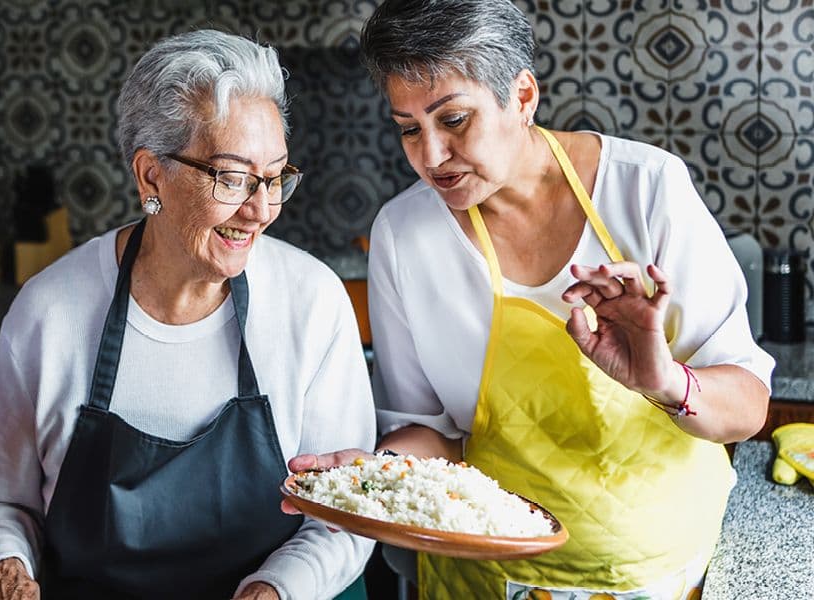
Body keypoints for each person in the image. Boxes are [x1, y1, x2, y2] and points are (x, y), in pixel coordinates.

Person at [285, 1, 775, 598]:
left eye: (454, 120)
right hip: (487, 577)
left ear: (522, 96)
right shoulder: (404, 235)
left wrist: (667, 381)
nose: (430, 156)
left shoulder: (647, 189)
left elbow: (748, 407)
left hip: (655, 576)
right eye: (409, 128)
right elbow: (429, 435)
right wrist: (372, 474)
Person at [0, 29, 376, 600]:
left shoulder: (312, 302)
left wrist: (273, 590)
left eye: (275, 177)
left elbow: (340, 516)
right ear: (151, 176)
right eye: (232, 178)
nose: (261, 210)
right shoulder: (49, 313)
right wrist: (4, 571)